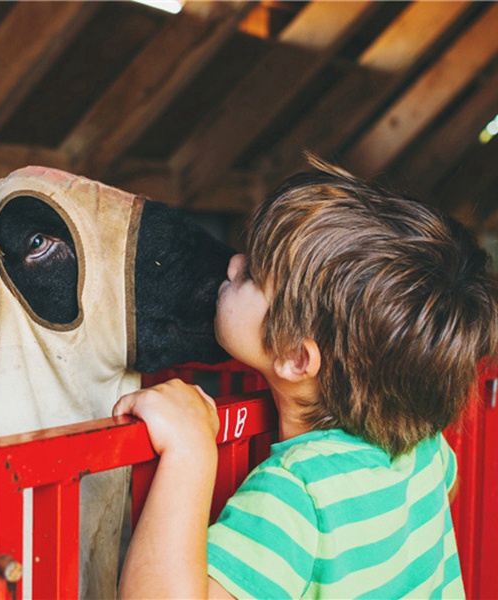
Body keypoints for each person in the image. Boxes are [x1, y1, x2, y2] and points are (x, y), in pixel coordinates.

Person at [113, 157, 498, 599]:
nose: (234, 263)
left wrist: (190, 453)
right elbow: (441, 493)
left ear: (297, 357)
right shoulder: (425, 450)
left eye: (254, 273)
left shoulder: (298, 493)